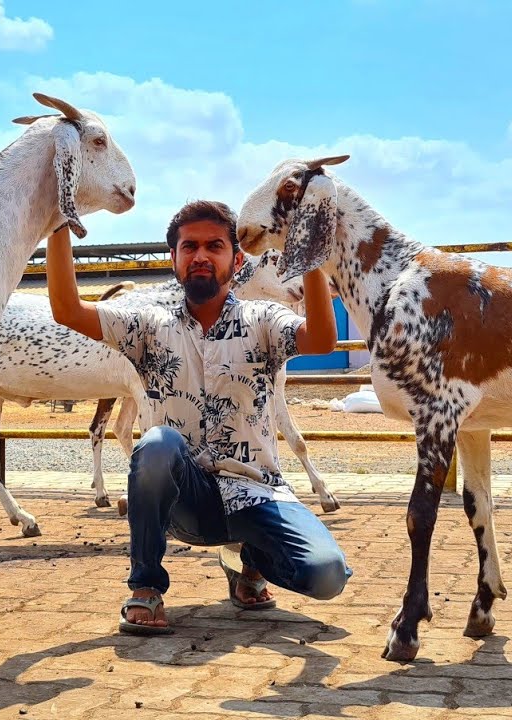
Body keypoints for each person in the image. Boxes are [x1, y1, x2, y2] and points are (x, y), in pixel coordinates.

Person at [46, 200, 352, 635]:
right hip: (182, 502)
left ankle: (248, 560)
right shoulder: (149, 325)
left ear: (236, 258)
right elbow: (68, 311)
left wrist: (310, 250)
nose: (201, 256)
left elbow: (321, 339)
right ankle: (146, 588)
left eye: (215, 245)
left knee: (326, 576)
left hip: (256, 492)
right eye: (189, 247)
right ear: (173, 259)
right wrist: (58, 224)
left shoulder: (262, 321)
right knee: (156, 445)